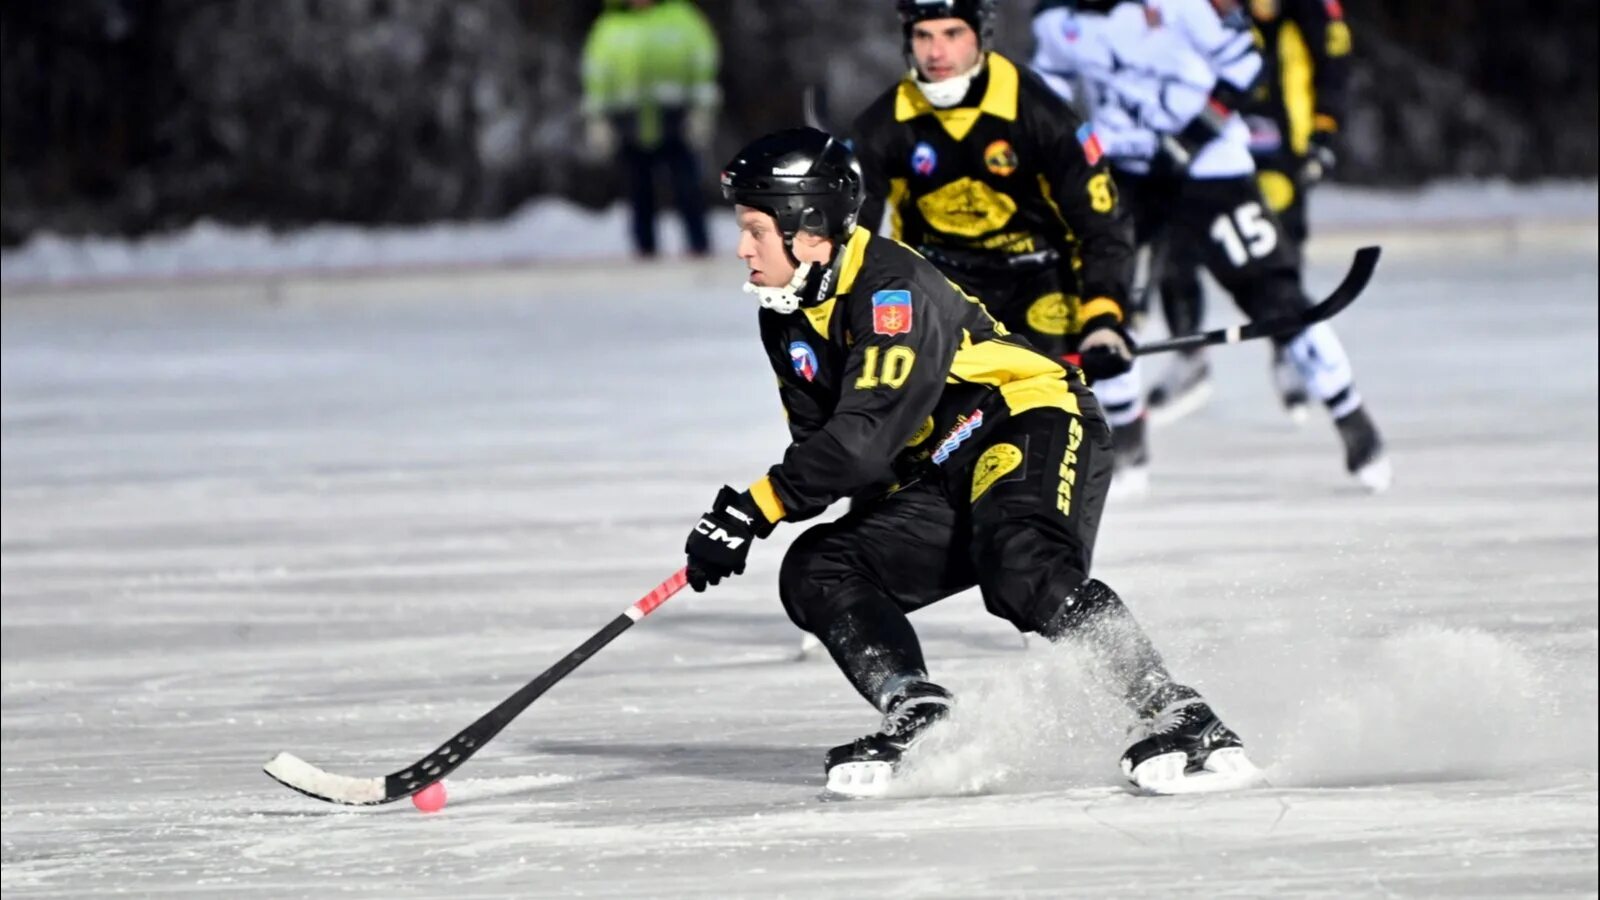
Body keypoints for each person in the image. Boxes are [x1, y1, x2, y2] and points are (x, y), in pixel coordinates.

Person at [681, 126, 1258, 797]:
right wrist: (743, 522)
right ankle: (919, 712)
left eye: (755, 228)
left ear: (809, 228)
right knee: (820, 566)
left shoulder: (888, 291)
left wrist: (757, 507)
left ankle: (1179, 712)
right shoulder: (784, 315)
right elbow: (831, 452)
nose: (742, 247)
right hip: (940, 469)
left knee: (1022, 564)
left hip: (1025, 418)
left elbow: (865, 436)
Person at [1031, 0, 1388, 491]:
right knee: (1098, 303)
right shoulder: (1056, 17)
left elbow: (1246, 68)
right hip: (1124, 174)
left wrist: (1194, 138)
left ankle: (1351, 415)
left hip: (1210, 170)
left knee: (1272, 293)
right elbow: (1044, 91)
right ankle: (1128, 440)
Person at [848, 0, 1152, 494]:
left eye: (951, 33)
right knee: (922, 440)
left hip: (1039, 282)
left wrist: (1105, 317)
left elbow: (1102, 224)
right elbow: (850, 238)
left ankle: (1121, 427)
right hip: (943, 287)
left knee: (1037, 430)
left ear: (981, 36)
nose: (936, 51)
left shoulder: (1038, 111)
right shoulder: (885, 122)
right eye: (923, 36)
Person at [1143, 0, 1354, 424]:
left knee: (1277, 252)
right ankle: (1189, 352)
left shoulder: (1312, 10)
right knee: (1176, 246)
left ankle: (1287, 351)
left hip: (1281, 146)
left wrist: (1325, 130)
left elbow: (1334, 62)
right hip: (1216, 145)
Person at [580, 0, 720, 258]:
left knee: (687, 187)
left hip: (676, 117)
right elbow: (596, 72)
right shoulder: (610, 25)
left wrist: (702, 108)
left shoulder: (681, 16)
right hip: (629, 120)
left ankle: (699, 248)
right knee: (638, 190)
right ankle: (645, 253)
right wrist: (597, 117)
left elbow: (703, 60)